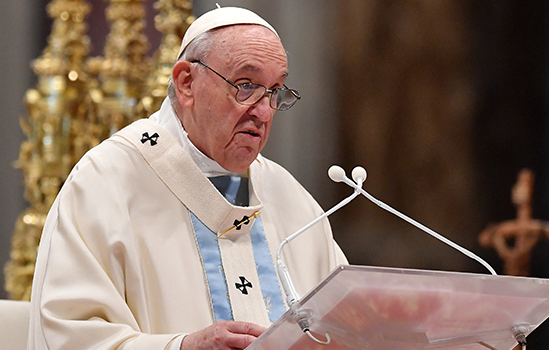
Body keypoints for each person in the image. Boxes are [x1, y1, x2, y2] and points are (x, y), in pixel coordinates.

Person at [28, 6, 347, 350]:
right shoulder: (106, 183)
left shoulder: (288, 197)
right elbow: (66, 335)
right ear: (186, 83)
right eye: (245, 85)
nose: (264, 110)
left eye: (275, 91)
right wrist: (181, 347)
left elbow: (347, 324)